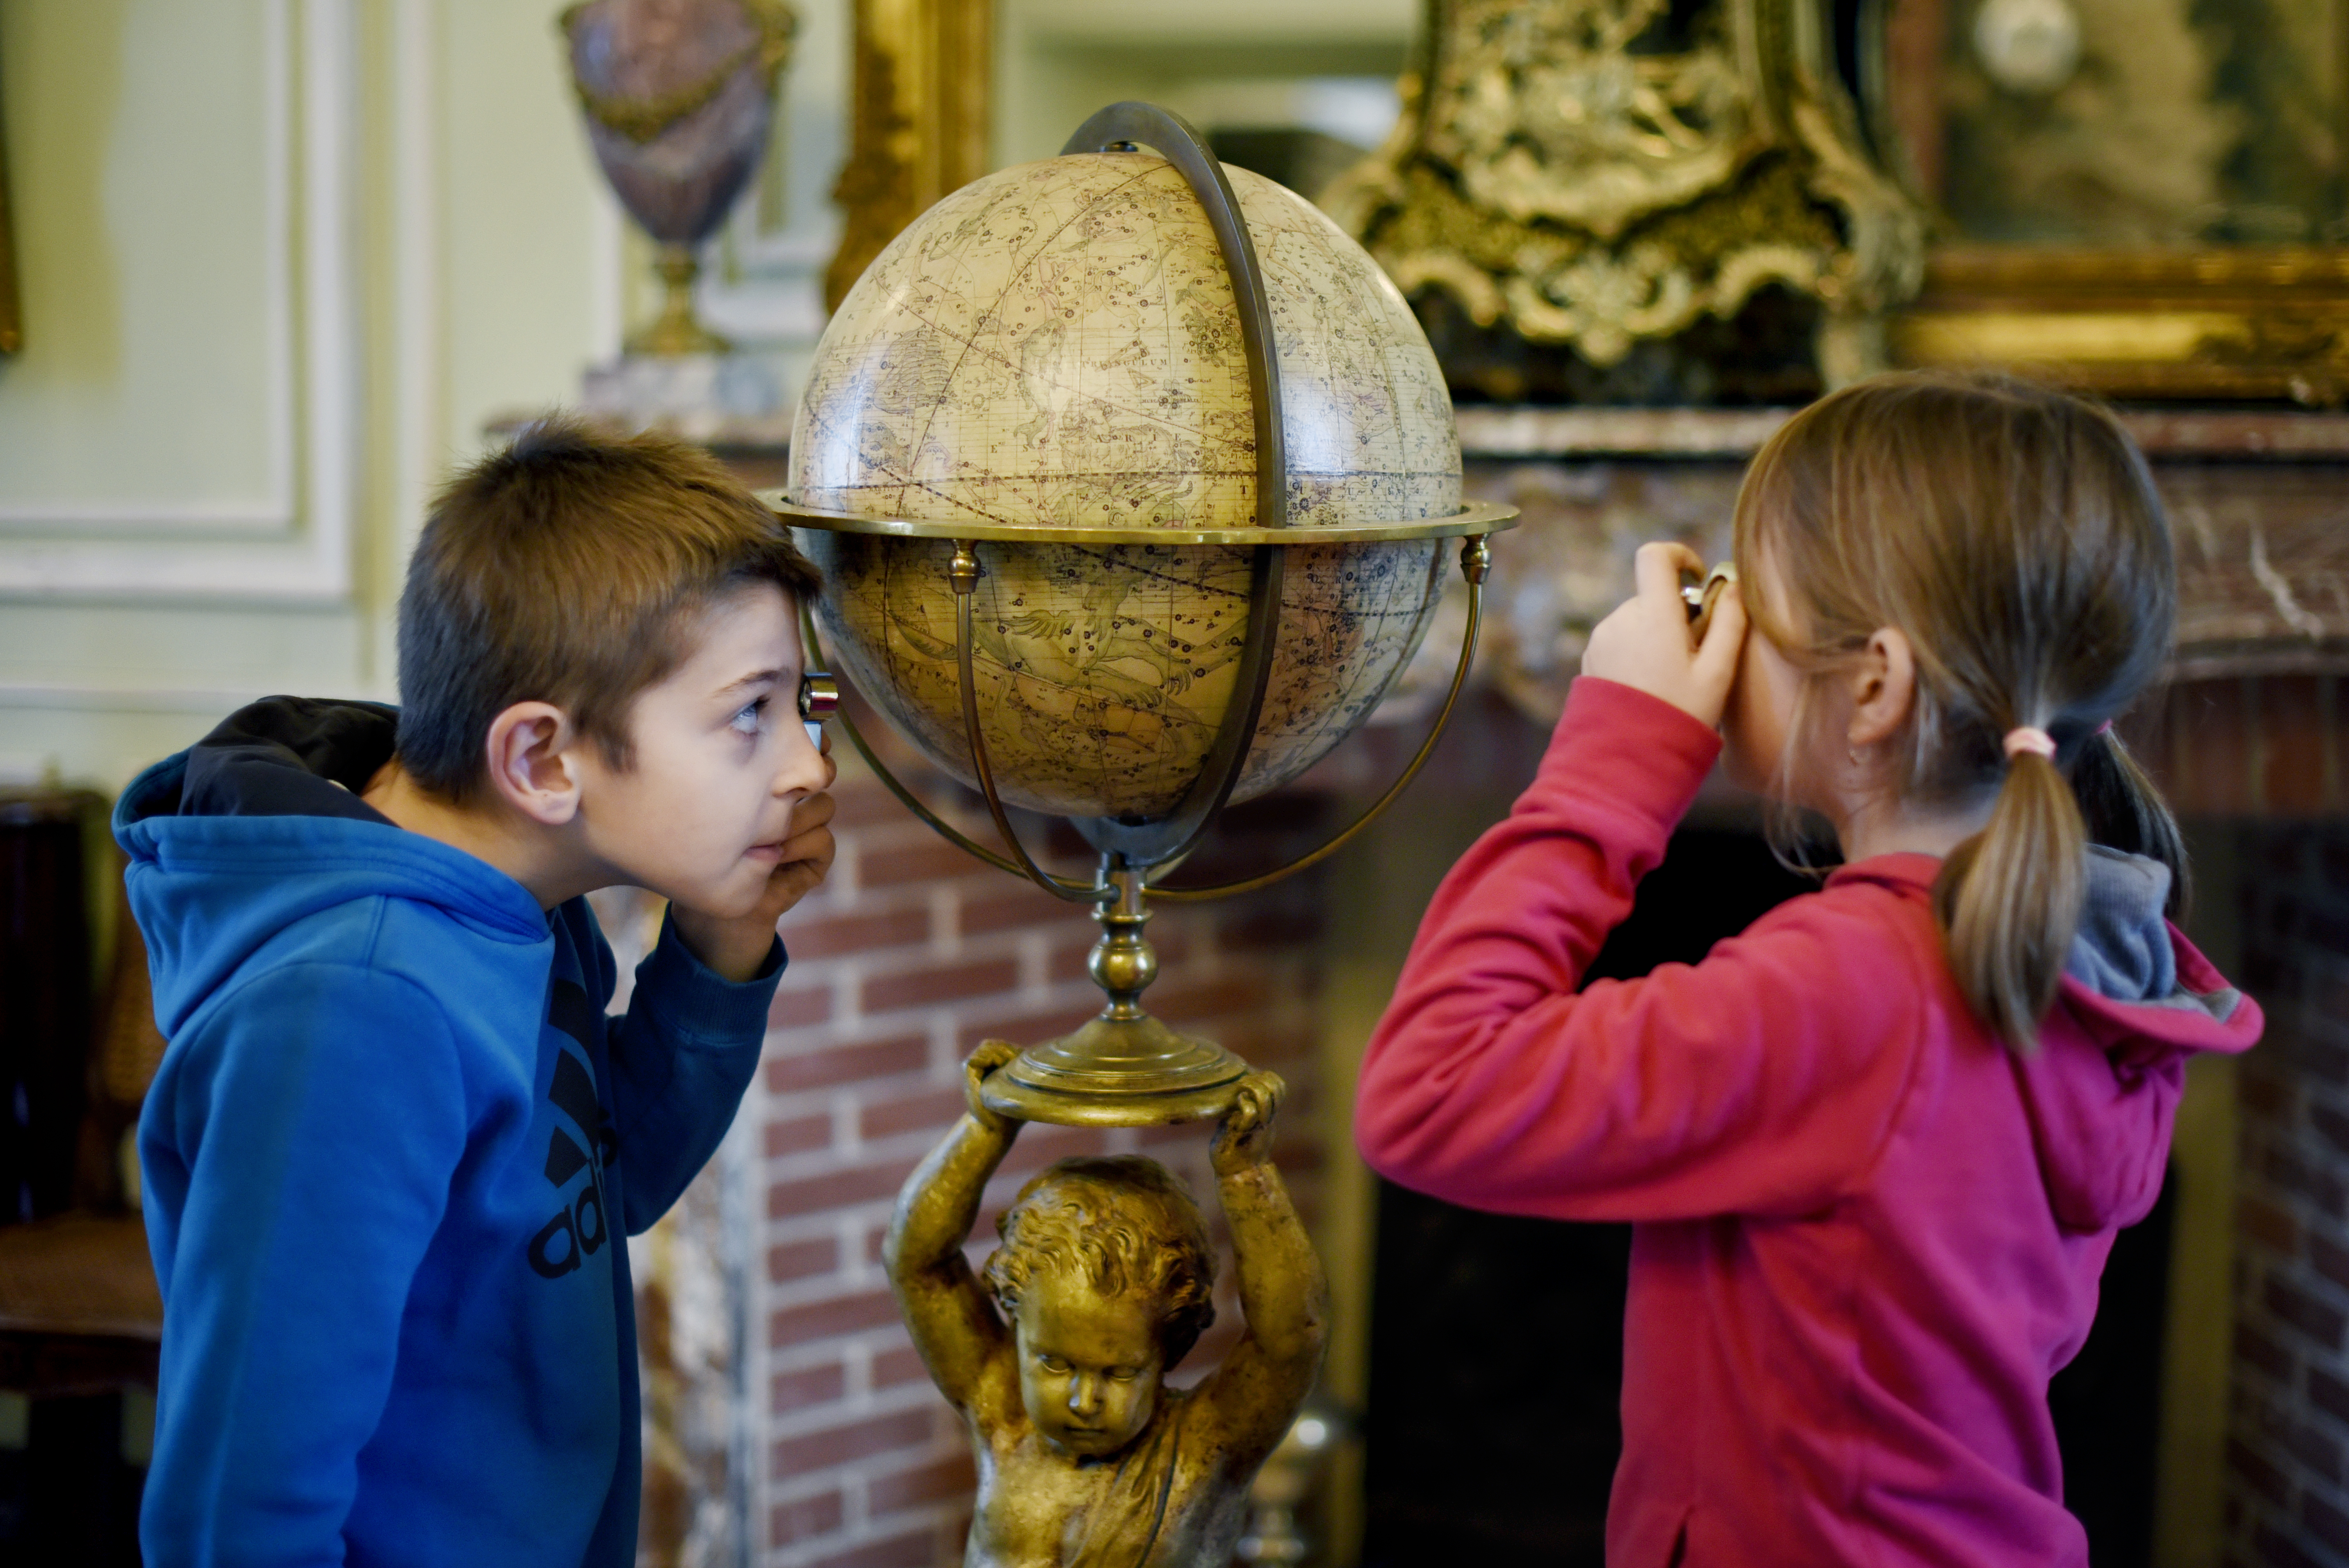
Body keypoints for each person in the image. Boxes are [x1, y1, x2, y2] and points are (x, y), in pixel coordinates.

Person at [1355, 371, 2263, 1565]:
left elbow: (1428, 1094)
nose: (1721, 635)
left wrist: (1618, 748)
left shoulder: (1859, 989)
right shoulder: (2084, 954)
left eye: (1750, 602)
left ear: (1875, 686)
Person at [115, 417, 838, 1567]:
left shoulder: (512, 902)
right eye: (751, 712)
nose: (805, 764)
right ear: (544, 762)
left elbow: (593, 1188)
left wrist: (722, 942)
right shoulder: (351, 1013)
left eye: (806, 705)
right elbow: (232, 1520)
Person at [883, 1043, 1327, 1568]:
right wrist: (984, 1130)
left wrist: (1245, 1177)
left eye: (1118, 1373)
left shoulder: (1203, 1447)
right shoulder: (1001, 1409)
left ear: (1169, 1351)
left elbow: (1290, 1340)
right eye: (1053, 1363)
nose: (1083, 1401)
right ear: (1017, 1325)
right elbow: (918, 1265)